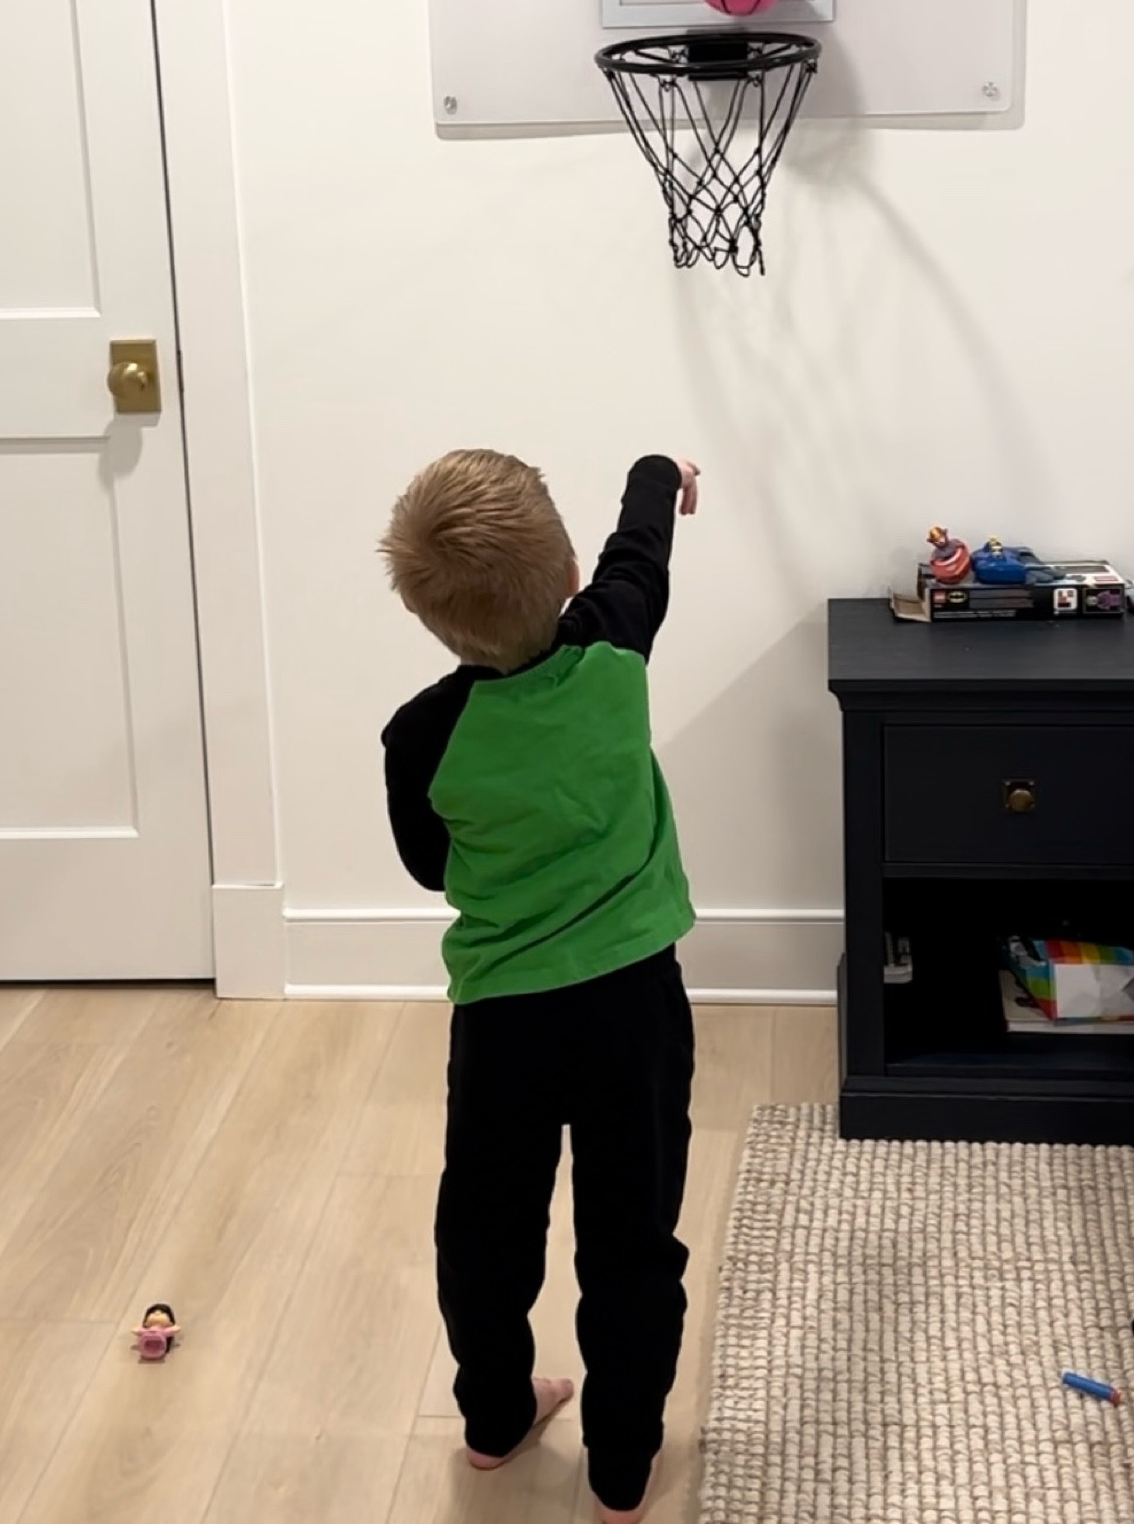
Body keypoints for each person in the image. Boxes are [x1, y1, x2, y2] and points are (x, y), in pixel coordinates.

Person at [380, 450, 700, 1524]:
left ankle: (493, 1417)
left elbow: (428, 864)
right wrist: (658, 470)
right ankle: (620, 1465)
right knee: (630, 1234)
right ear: (565, 572)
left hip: (502, 1020)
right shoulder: (612, 642)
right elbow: (641, 553)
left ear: (427, 613)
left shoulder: (421, 734)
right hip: (631, 1007)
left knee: (485, 1222)